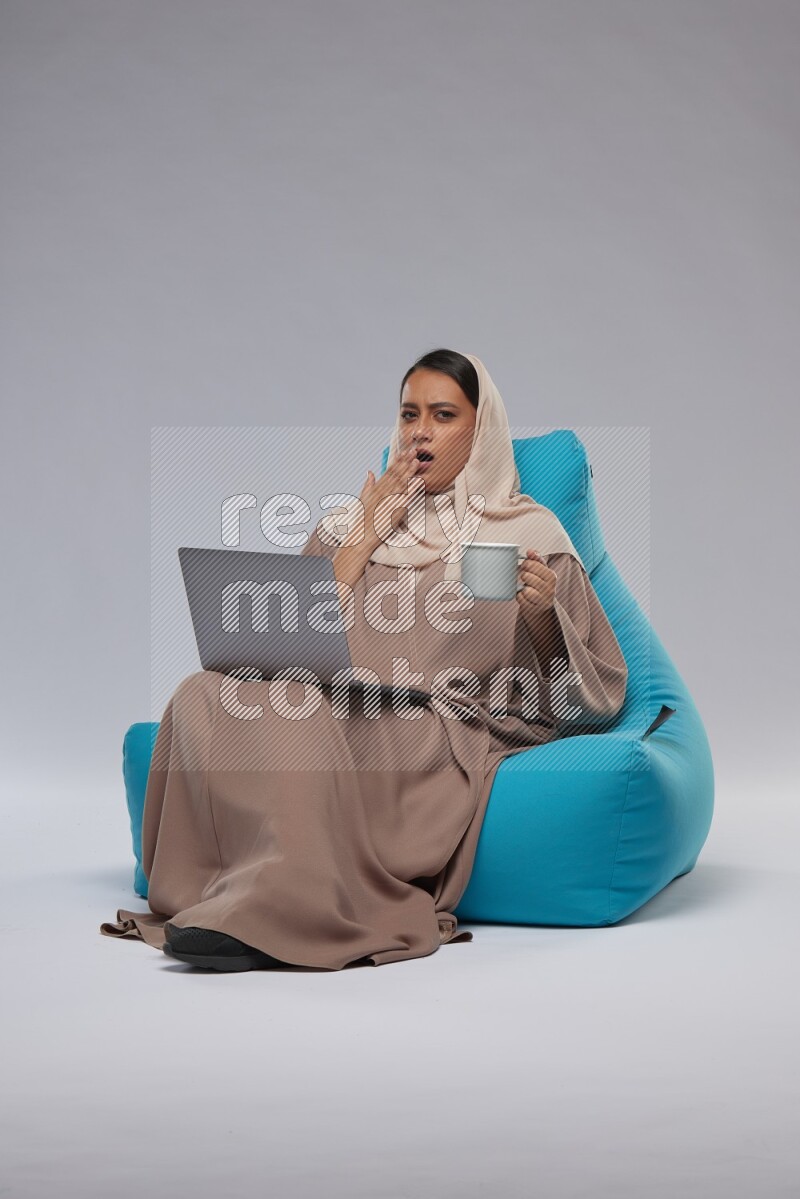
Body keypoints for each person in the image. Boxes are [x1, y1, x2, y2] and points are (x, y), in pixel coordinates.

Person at [100, 349, 628, 971]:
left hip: (432, 727)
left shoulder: (530, 536)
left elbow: (592, 704)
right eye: (409, 415)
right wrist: (369, 533)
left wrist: (544, 617)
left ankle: (279, 908)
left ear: (480, 430)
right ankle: (221, 895)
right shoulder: (349, 526)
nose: (420, 432)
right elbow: (288, 635)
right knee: (202, 691)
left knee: (293, 712)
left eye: (442, 415)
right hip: (338, 700)